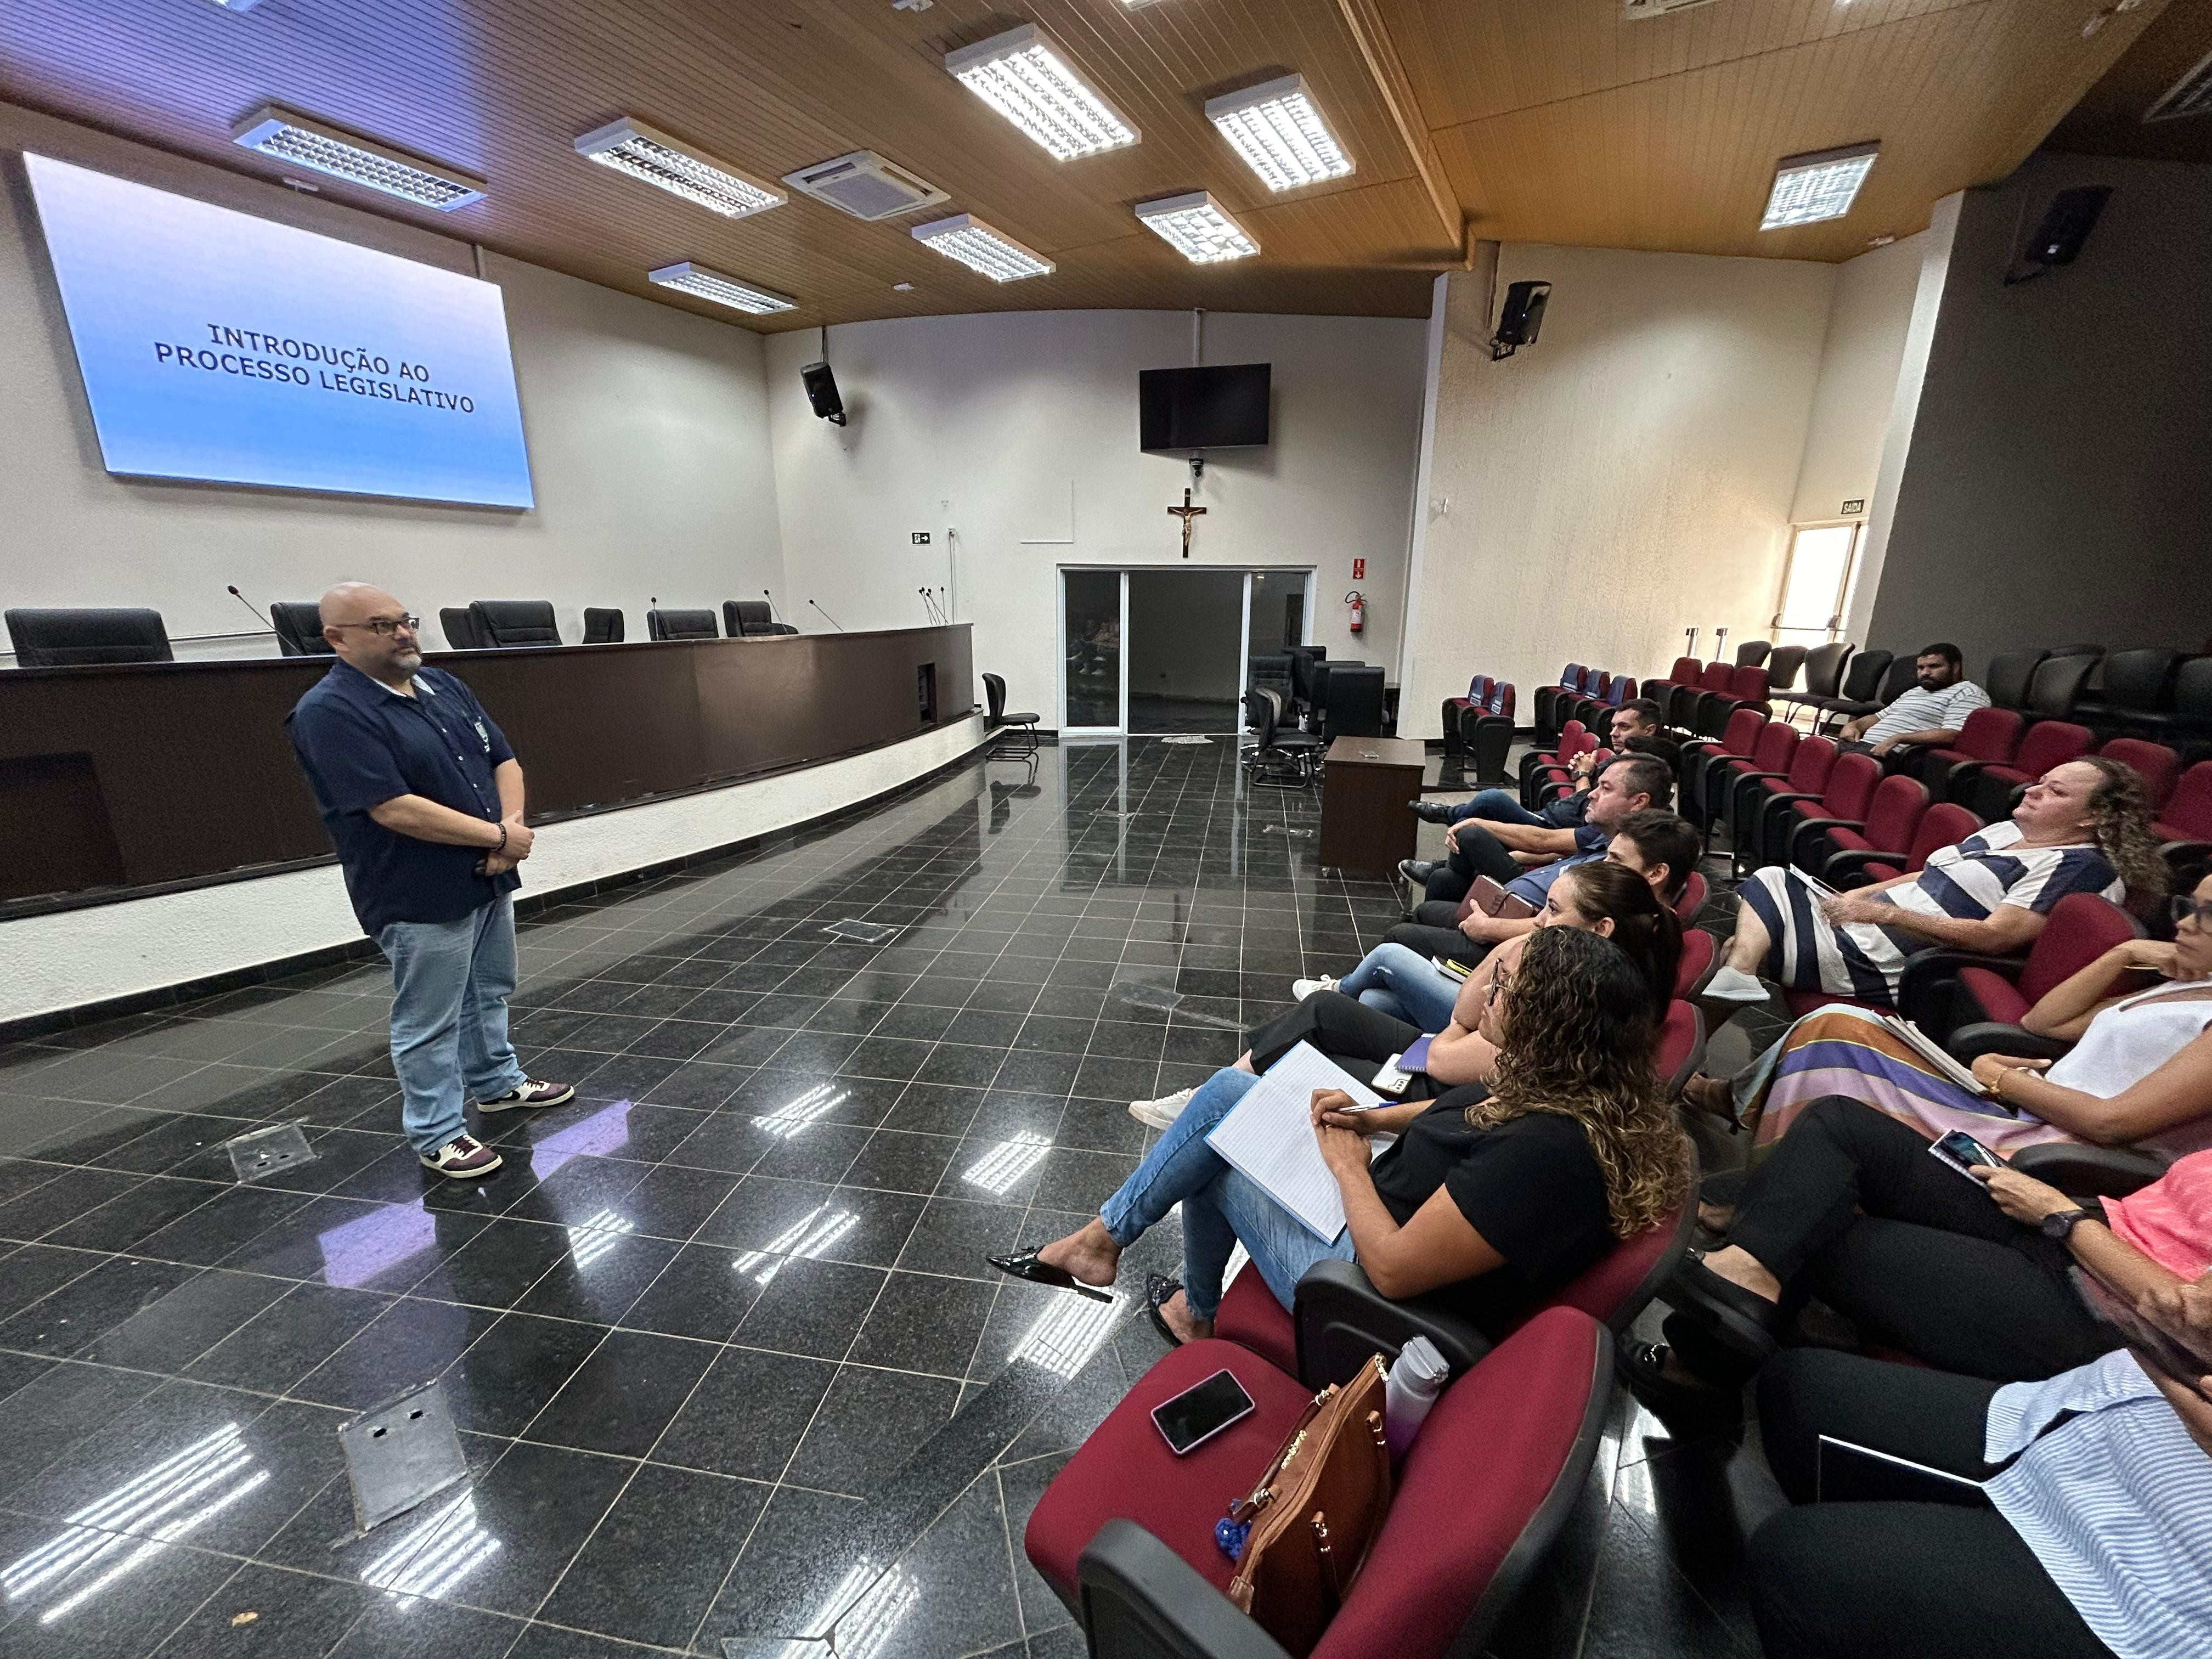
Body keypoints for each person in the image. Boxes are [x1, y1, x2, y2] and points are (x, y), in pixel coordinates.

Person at [992, 928, 1691, 1347]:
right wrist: (1375, 1119)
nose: (1488, 994)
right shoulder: (1566, 1084)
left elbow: (1392, 1270)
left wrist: (1349, 1164)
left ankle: (1172, 1295)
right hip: (1391, 1204)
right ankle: (1114, 1250)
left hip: (1365, 1292)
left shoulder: (1547, 1153)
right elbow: (1466, 1112)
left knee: (1222, 1143)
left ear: (1549, 1022)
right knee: (1232, 1098)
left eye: (1506, 987)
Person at [1630, 1094, 2209, 1407]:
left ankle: (1706, 1368)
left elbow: (2186, 1315)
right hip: (2085, 1229)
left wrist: (2059, 1216)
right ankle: (1745, 1277)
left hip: (2100, 1314)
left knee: (1821, 1231)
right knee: (1840, 1124)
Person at [1739, 1279, 2212, 1659]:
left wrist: (2062, 1219)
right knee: (1796, 1390)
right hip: (2097, 1415)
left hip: (2153, 1583)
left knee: (1801, 1563)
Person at [286, 583, 573, 1178]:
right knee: (430, 1018)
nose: (402, 633)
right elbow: (393, 808)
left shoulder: (444, 686)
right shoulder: (329, 712)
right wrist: (499, 838)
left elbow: (504, 760)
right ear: (337, 639)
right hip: (417, 890)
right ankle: (437, 1133)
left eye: (405, 620)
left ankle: (497, 1084)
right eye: (381, 625)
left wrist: (508, 830)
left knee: (488, 989)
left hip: (487, 873)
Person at [1685, 871, 2212, 1155]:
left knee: (1834, 1072)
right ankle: (1731, 1101)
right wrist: (2124, 953)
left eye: (2206, 916)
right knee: (1835, 1024)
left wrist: (2002, 1078)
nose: (2183, 925)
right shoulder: (2184, 986)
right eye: (2186, 908)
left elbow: (2111, 1123)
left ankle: (1747, 1187)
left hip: (2040, 1139)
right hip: (2031, 1103)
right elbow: (2044, 1025)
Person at [1130, 860, 1681, 1131]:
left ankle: (1214, 1100)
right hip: (1445, 1067)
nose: (1538, 921)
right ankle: (1226, 1092)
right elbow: (1467, 1010)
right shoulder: (1576, 967)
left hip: (1443, 1096)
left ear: (1602, 929)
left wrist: (1511, 951)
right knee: (1371, 1005)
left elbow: (1446, 1053)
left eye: (1552, 912)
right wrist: (1520, 951)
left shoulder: (1577, 1002)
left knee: (1325, 1016)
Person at [1701, 756, 2159, 1014]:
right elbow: (1932, 873)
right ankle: (1723, 1007)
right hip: (1859, 930)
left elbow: (1996, 937)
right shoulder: (2007, 830)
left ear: (2094, 817)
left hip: (1877, 963)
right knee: (1767, 897)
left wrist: (1881, 913)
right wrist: (1857, 897)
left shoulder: (2078, 867)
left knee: (1753, 922)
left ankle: (1721, 1006)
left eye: (2056, 792)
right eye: (2040, 782)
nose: (2032, 791)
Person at [1383, 806, 1701, 969]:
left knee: (1398, 942)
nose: (1605, 863)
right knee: (1424, 914)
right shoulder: (1621, 894)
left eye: (1616, 858)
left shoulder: (1633, 922)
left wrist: (1488, 929)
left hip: (1516, 979)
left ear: (1657, 873)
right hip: (1516, 964)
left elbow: (1542, 941)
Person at [1410, 699, 1674, 829]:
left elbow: (1588, 809)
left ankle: (1449, 816)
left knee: (1492, 801)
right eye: (1613, 726)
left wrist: (1583, 775)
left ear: (1649, 730)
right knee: (1482, 819)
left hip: (1559, 828)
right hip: (1553, 814)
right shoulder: (1620, 760)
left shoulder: (1646, 773)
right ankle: (1452, 828)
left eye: (1624, 727)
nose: (1614, 733)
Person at [1833, 641, 1990, 762]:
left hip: (1896, 754)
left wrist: (1900, 738)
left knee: (1838, 763)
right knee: (1821, 752)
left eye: (1934, 666)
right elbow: (1878, 717)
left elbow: (1953, 734)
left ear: (1955, 667)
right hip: (1863, 745)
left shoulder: (1968, 693)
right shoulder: (1915, 691)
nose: (1925, 673)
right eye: (1920, 668)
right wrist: (1853, 726)